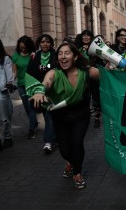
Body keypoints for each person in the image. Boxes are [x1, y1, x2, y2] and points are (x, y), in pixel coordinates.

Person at [29, 43, 100, 189]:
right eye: (60, 53)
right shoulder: (54, 73)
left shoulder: (87, 71)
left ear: (75, 56)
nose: (63, 56)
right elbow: (46, 83)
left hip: (81, 114)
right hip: (60, 116)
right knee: (65, 150)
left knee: (77, 143)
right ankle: (70, 161)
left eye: (67, 53)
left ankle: (77, 173)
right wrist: (39, 91)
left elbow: (108, 76)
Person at [25, 34, 57, 153]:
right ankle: (53, 138)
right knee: (46, 115)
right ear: (39, 43)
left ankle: (49, 142)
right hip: (38, 91)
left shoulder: (56, 56)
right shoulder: (34, 56)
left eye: (47, 42)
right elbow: (29, 73)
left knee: (49, 116)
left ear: (51, 43)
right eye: (43, 42)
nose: (45, 44)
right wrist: (34, 89)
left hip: (52, 91)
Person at [12, 36, 38, 139]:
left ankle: (32, 129)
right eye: (21, 47)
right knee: (27, 107)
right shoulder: (15, 56)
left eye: (25, 47)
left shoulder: (33, 55)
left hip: (31, 84)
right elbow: (14, 71)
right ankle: (34, 122)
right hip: (21, 84)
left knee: (30, 106)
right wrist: (11, 81)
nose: (23, 49)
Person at [0, 37, 15, 153]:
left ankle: (7, 137)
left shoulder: (5, 59)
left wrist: (10, 83)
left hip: (1, 90)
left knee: (5, 117)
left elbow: (8, 73)